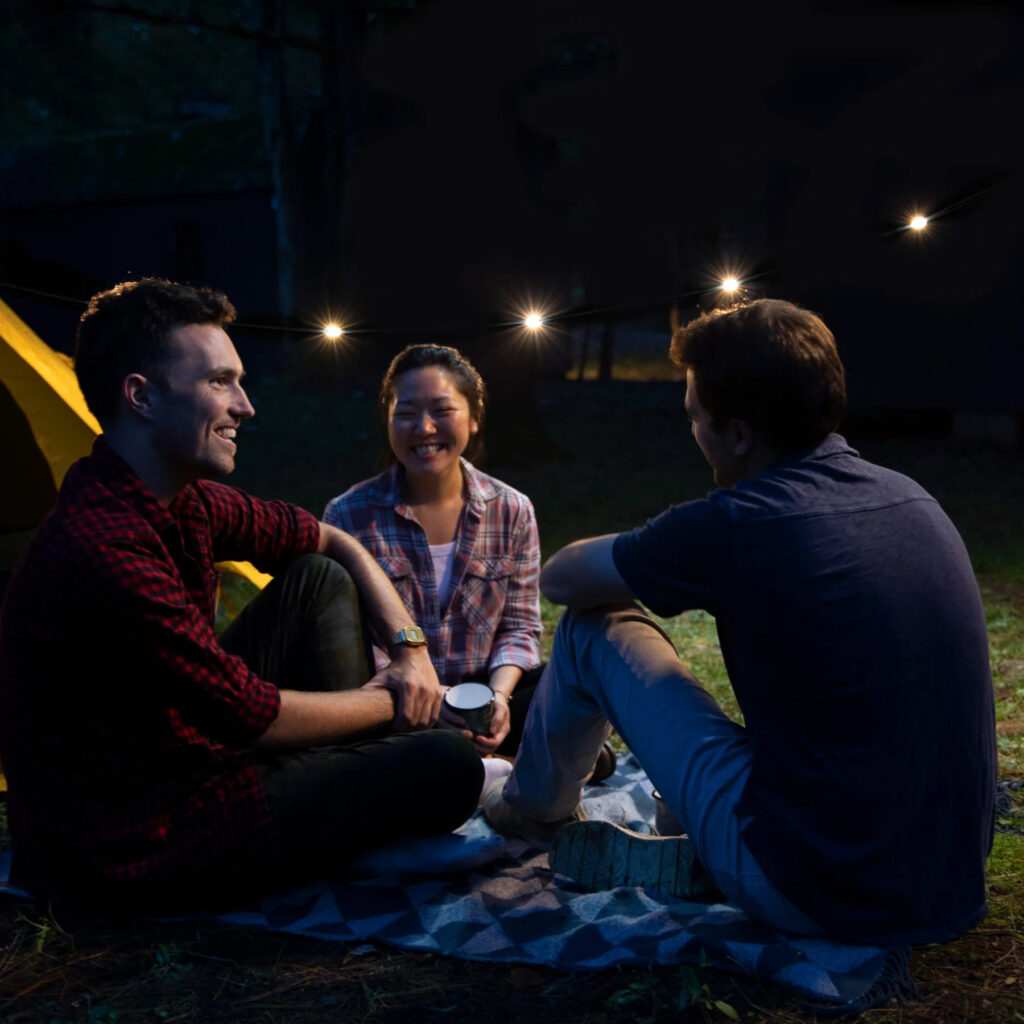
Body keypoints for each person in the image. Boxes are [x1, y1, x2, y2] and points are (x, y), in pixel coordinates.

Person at [484, 299, 996, 947]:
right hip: (945, 881)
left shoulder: (742, 523)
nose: (693, 432)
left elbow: (562, 578)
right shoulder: (912, 498)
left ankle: (533, 811)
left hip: (818, 891)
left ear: (740, 434)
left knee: (594, 630)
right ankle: (694, 824)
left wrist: (654, 543)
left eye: (695, 417)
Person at [0, 279, 482, 915]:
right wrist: (400, 700)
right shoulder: (102, 547)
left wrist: (409, 648)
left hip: (187, 752)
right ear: (141, 396)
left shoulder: (183, 500)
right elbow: (253, 716)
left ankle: (366, 783)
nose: (246, 407)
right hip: (138, 836)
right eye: (219, 382)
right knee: (450, 763)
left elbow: (327, 538)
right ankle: (373, 788)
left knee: (317, 576)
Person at [324, 344, 546, 760]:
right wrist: (431, 695)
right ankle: (512, 763)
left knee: (565, 680)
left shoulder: (512, 510)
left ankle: (502, 753)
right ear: (388, 422)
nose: (424, 429)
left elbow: (521, 628)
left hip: (485, 700)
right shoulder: (348, 515)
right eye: (406, 414)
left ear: (475, 419)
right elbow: (350, 642)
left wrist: (497, 698)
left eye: (442, 411)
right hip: (396, 705)